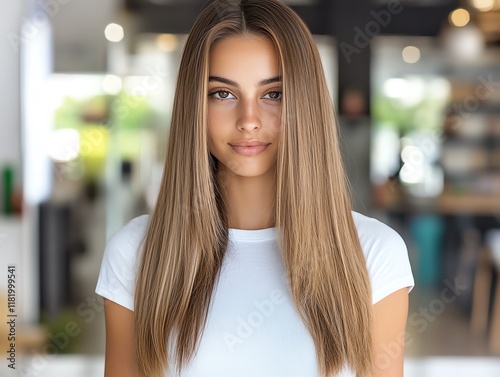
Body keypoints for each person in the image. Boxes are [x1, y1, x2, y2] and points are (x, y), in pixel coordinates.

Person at [95, 0, 415, 376]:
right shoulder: (136, 253)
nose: (249, 120)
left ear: (306, 104)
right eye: (223, 93)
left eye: (273, 94)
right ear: (194, 106)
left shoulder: (374, 255)